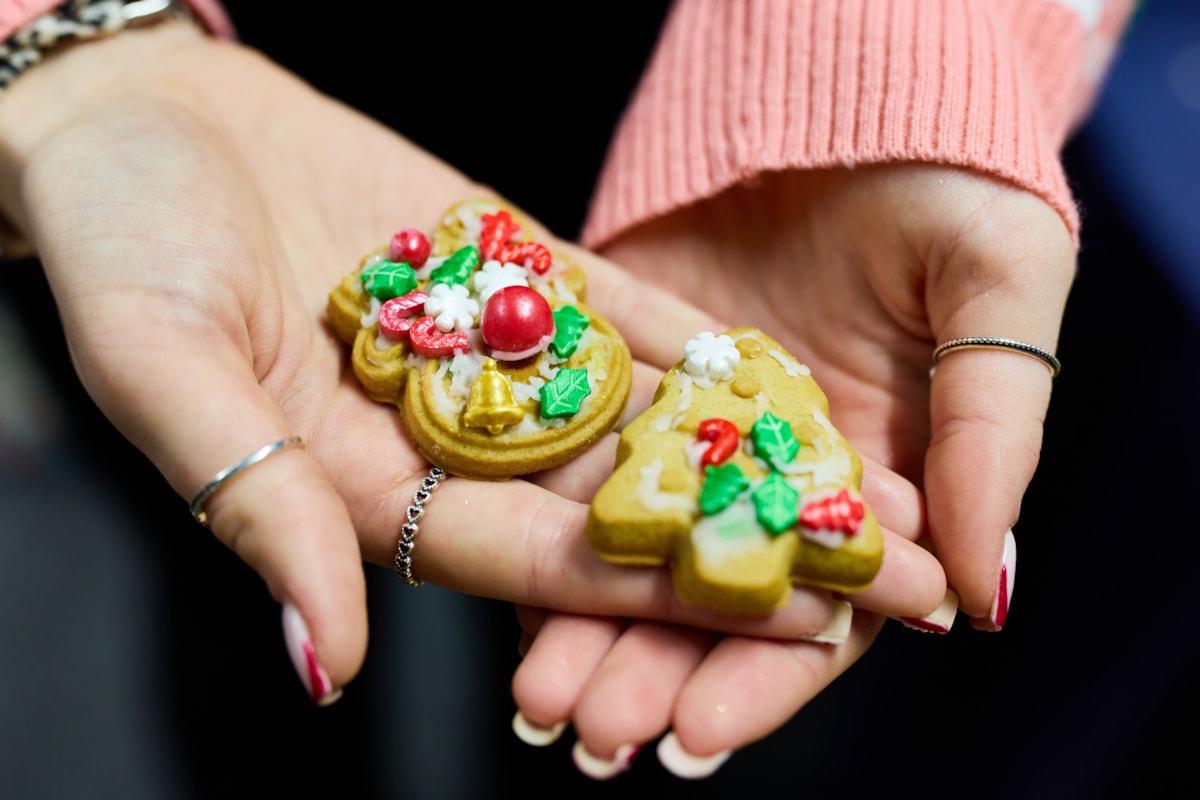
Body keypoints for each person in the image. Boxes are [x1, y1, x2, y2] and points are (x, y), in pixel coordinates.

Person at [0, 0, 1137, 786]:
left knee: (613, 648)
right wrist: (70, 54)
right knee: (237, 576)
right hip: (204, 110)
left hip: (693, 106)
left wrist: (888, 55)